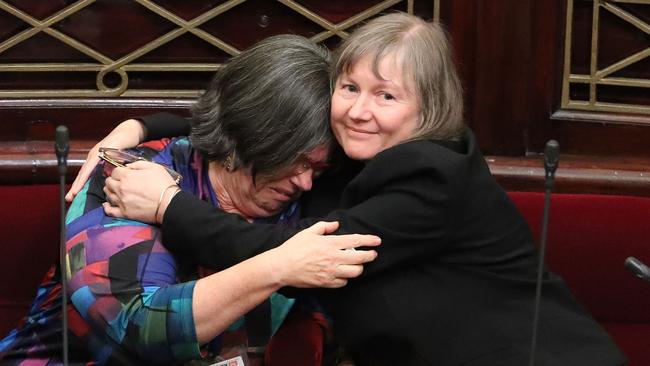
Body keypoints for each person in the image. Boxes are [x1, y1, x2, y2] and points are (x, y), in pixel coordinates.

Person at [67, 13, 626, 366]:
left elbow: (295, 255)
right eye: (350, 87)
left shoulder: (427, 177)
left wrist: (169, 204)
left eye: (387, 96)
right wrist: (140, 127)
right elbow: (243, 119)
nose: (360, 112)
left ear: (427, 109)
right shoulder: (346, 155)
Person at [0, 35, 380, 366]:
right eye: (293, 160)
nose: (305, 181)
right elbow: (140, 324)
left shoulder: (309, 194)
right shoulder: (134, 176)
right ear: (246, 137)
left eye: (318, 167)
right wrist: (277, 267)